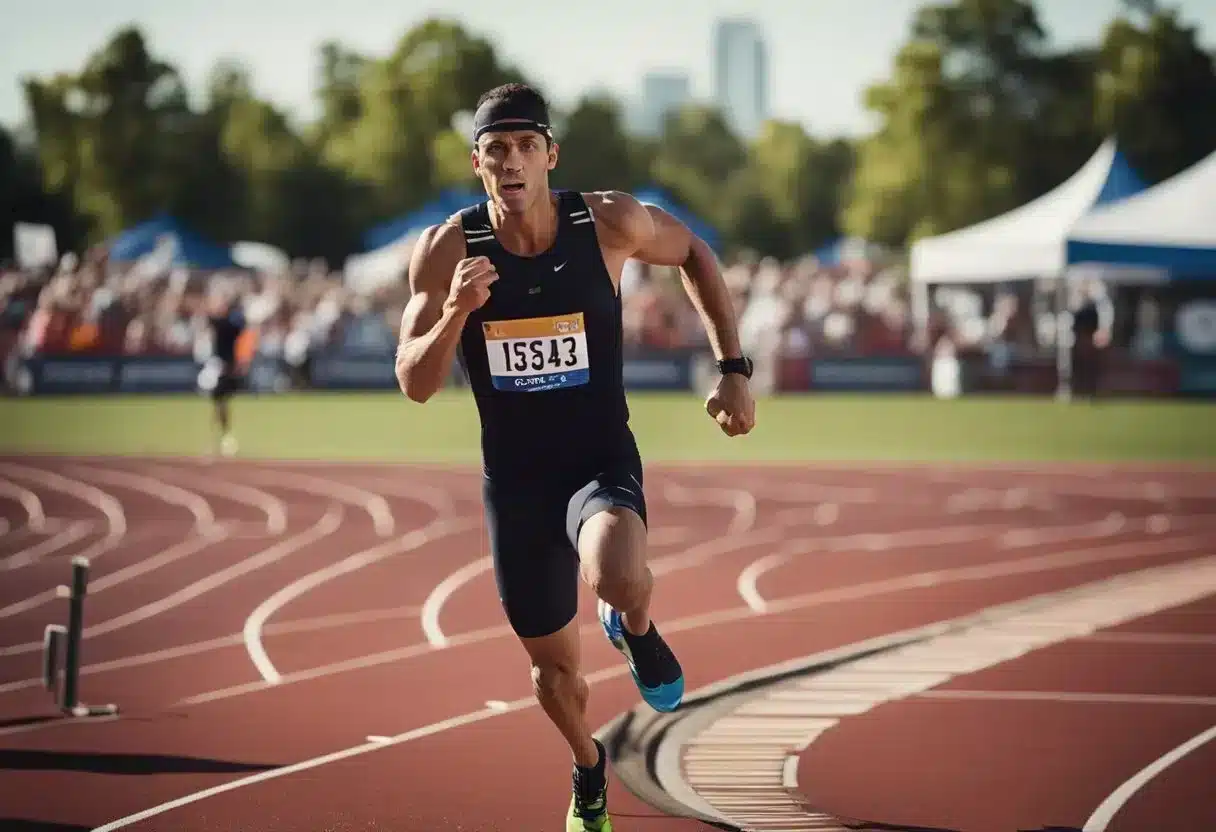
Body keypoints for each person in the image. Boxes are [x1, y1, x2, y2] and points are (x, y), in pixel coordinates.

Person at [394, 83, 756, 831]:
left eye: (528, 146)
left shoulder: (609, 223)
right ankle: (589, 769)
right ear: (479, 164)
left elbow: (693, 253)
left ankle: (635, 624)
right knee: (555, 676)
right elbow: (414, 383)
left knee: (618, 575)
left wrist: (733, 369)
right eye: (497, 150)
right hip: (517, 486)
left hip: (597, 461)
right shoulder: (446, 251)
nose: (513, 161)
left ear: (551, 155)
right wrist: (459, 310)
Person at [198, 285, 246, 457]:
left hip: (225, 366)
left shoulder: (229, 323)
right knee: (219, 403)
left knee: (221, 402)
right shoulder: (225, 322)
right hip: (219, 366)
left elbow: (232, 324)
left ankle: (221, 438)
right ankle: (220, 437)